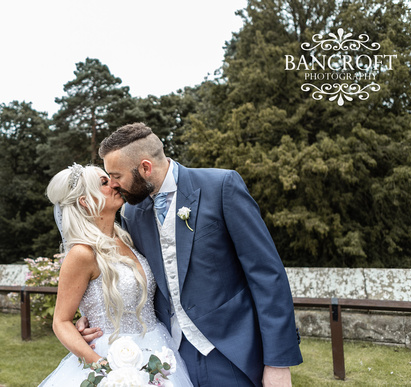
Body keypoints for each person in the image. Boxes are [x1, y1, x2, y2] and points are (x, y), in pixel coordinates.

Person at [80, 122, 303, 386]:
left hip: (231, 352)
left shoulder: (221, 186)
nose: (114, 185)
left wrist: (278, 361)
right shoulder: (131, 213)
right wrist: (91, 317)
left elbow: (267, 275)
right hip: (166, 358)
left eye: (116, 175)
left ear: (145, 168)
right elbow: (133, 275)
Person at [39, 163, 193, 386]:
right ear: (86, 200)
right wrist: (103, 367)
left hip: (156, 348)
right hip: (109, 358)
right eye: (103, 182)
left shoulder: (127, 239)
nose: (114, 184)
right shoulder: (82, 254)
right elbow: (61, 321)